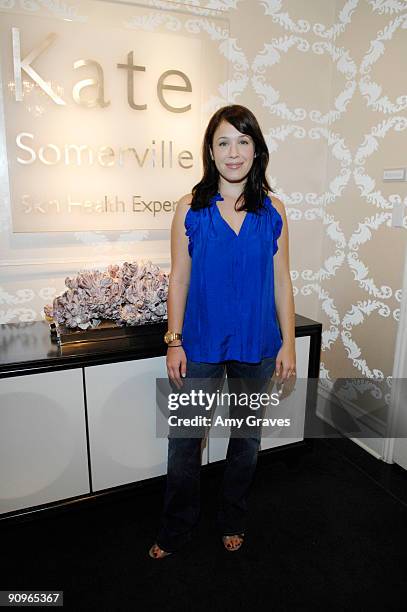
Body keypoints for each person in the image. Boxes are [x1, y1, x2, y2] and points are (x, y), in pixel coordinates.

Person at [149, 104, 296, 559]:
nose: (234, 152)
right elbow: (178, 278)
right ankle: (177, 527)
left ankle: (233, 517)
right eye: (223, 143)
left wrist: (288, 341)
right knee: (184, 441)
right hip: (201, 344)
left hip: (257, 343)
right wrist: (174, 341)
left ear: (257, 150)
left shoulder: (274, 210)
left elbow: (283, 279)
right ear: (210, 153)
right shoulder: (189, 209)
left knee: (246, 439)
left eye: (243, 141)